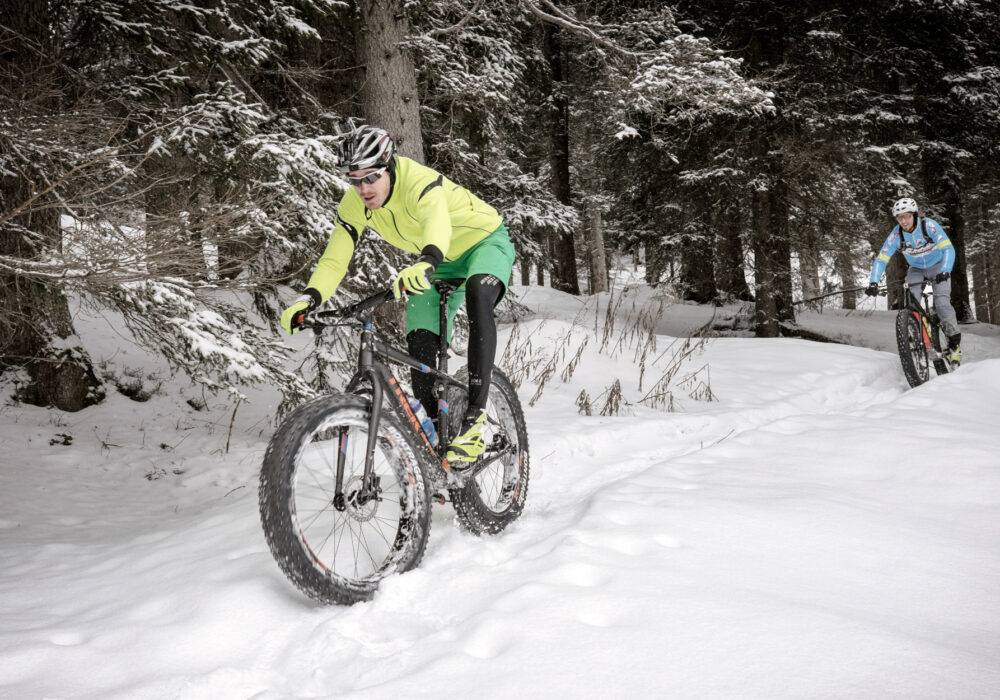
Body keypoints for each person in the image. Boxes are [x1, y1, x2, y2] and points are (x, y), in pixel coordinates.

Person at [280, 125, 515, 466]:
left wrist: (427, 261)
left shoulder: (418, 182)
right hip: (440, 266)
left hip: (483, 244)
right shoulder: (354, 204)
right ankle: (437, 442)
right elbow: (336, 255)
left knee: (479, 291)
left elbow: (436, 223)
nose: (363, 188)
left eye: (371, 177)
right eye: (354, 179)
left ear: (388, 166)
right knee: (419, 338)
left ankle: (475, 420)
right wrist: (310, 298)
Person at [865, 197, 961, 364]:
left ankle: (954, 345)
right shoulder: (896, 234)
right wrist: (873, 282)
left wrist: (945, 270)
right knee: (912, 302)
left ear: (914, 215)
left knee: (942, 304)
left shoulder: (929, 226)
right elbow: (882, 258)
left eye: (907, 216)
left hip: (939, 266)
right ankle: (921, 339)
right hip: (915, 269)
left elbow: (948, 248)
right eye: (899, 217)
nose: (904, 221)